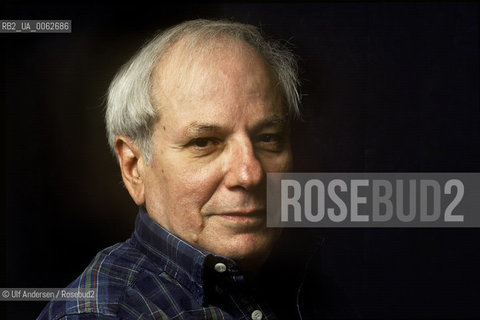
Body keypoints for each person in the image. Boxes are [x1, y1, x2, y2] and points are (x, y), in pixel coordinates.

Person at [38, 19, 353, 320]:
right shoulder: (102, 314)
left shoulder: (307, 285)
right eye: (204, 143)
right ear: (133, 167)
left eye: (268, 138)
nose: (250, 174)